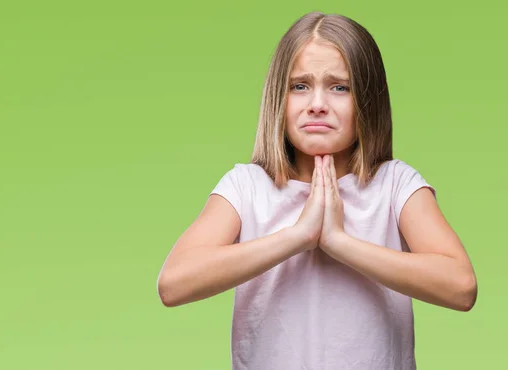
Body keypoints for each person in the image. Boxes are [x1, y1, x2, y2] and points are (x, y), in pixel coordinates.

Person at [156, 11, 477, 370]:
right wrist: (298, 237)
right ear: (279, 96)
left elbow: (461, 287)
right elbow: (173, 284)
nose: (317, 103)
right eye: (300, 86)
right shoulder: (246, 187)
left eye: (339, 86)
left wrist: (339, 242)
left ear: (367, 101)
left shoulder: (395, 185)